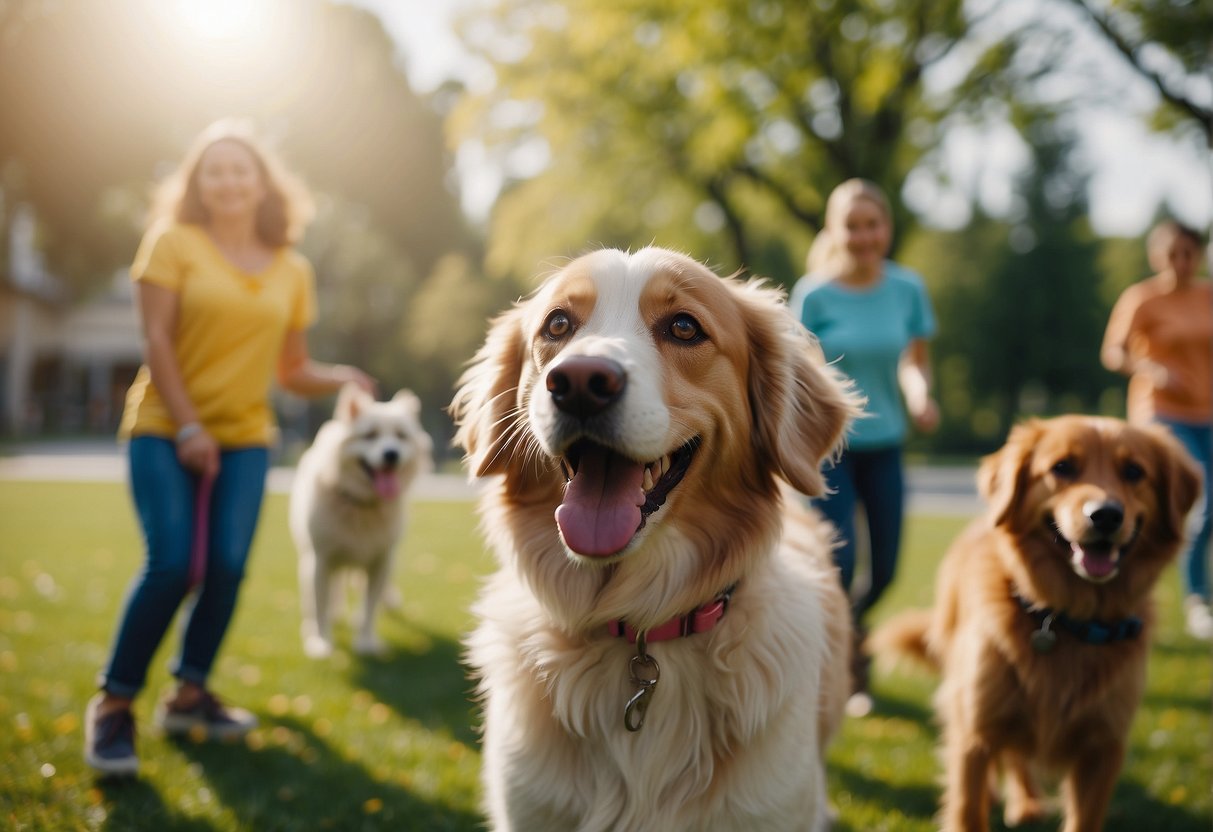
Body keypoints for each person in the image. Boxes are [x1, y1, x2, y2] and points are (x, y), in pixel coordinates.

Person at [85, 118, 375, 776]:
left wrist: (339, 378)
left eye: (240, 168)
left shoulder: (293, 268)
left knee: (227, 565)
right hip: (162, 426)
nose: (228, 180)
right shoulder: (172, 243)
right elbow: (156, 342)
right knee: (171, 566)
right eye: (213, 169)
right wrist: (187, 427)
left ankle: (190, 695)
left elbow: (289, 369)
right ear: (198, 183)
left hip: (245, 438)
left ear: (261, 183)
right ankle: (113, 707)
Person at [792, 178, 939, 717]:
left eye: (871, 224)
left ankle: (849, 630)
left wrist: (920, 394)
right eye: (851, 225)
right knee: (840, 561)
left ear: (887, 229)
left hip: (888, 445)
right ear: (835, 231)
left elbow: (914, 360)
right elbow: (796, 372)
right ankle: (849, 665)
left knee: (887, 570)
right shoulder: (815, 294)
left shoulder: (907, 289)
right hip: (832, 447)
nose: (862, 235)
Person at [1101, 219, 1212, 641]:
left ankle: (1189, 596)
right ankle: (1194, 599)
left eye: (1189, 253)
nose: (1181, 263)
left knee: (1205, 510)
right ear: (1157, 256)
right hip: (1160, 413)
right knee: (1196, 499)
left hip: (1208, 413)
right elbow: (1113, 352)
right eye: (1172, 254)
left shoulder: (1208, 295)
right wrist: (1150, 368)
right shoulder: (1142, 299)